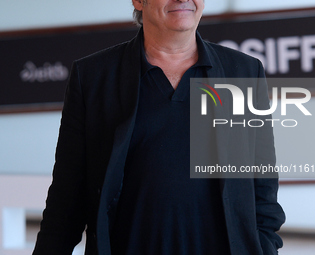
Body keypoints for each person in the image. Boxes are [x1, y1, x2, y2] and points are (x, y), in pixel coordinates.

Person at [33, 0, 285, 254]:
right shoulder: (92, 77)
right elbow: (65, 203)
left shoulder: (243, 73)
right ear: (138, 1)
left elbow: (263, 191)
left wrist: (263, 247)